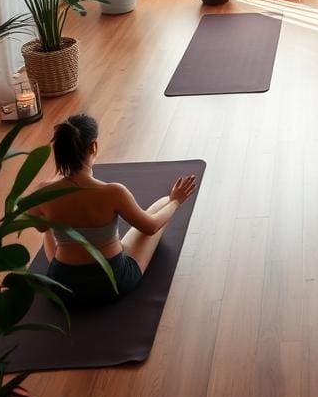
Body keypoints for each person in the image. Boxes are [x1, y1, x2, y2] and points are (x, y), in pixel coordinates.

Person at [28, 114, 198, 308]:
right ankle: (169, 200)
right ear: (94, 146)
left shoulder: (43, 192)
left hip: (62, 288)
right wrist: (176, 201)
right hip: (111, 283)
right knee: (162, 205)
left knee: (50, 225)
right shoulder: (113, 192)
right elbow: (150, 227)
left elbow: (42, 229)